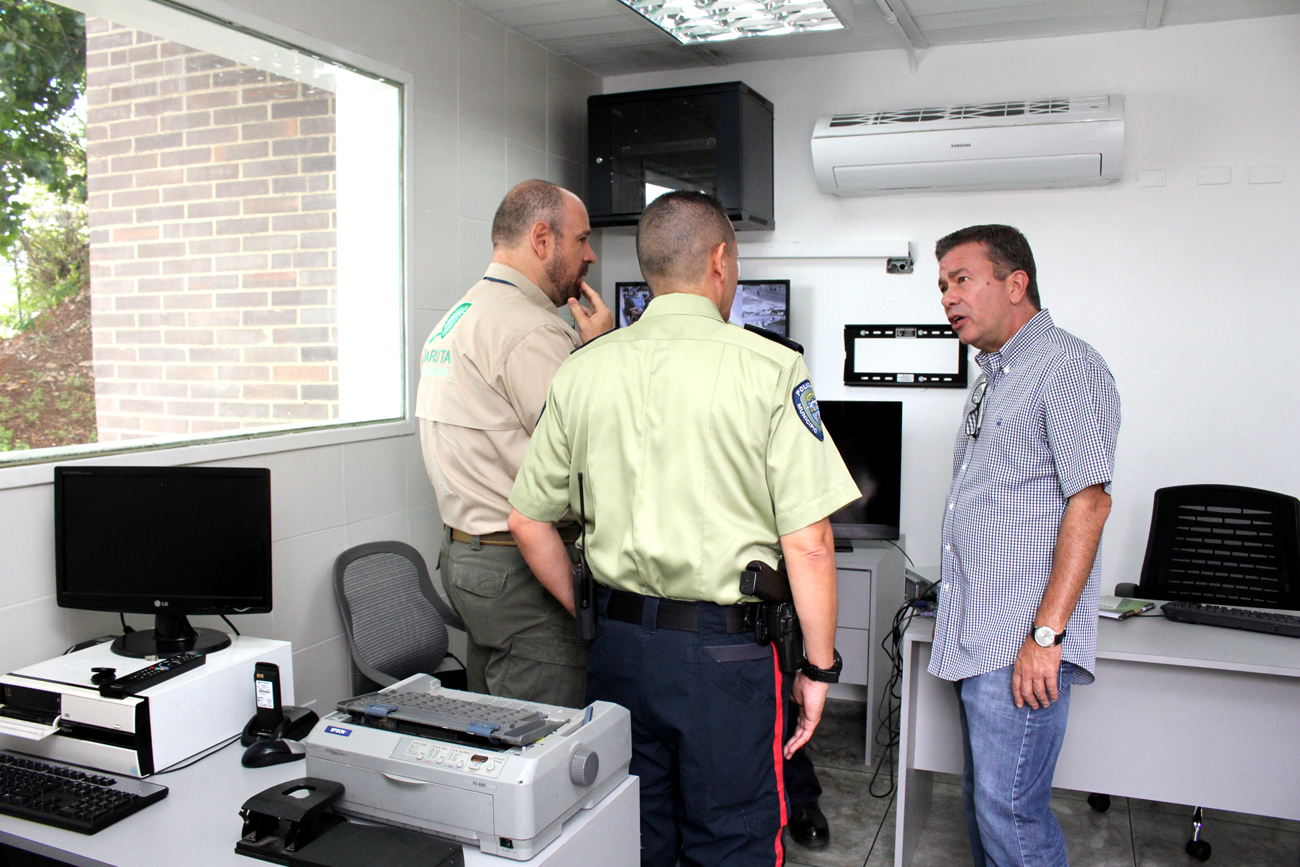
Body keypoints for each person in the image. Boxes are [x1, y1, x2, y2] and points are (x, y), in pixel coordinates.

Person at [507, 191, 861, 867]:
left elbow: (527, 519)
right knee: (730, 840)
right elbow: (810, 542)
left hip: (616, 653)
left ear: (648, 270)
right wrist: (819, 668)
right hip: (724, 662)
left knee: (632, 836)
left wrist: (591, 612)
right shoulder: (772, 368)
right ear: (721, 261)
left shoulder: (583, 370)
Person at [930, 225, 1120, 867]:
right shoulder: (992, 377)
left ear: (1016, 284)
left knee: (1011, 813)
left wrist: (1045, 637)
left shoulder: (1065, 366)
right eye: (942, 286)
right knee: (986, 807)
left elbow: (1089, 502)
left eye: (961, 279)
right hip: (979, 636)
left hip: (1020, 641)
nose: (948, 297)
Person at [415, 179, 613, 709]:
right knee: (538, 744)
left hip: (466, 557)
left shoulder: (459, 315)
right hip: (522, 572)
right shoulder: (530, 332)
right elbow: (585, 461)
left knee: (491, 724)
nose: (589, 255)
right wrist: (596, 356)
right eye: (582, 240)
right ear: (542, 239)